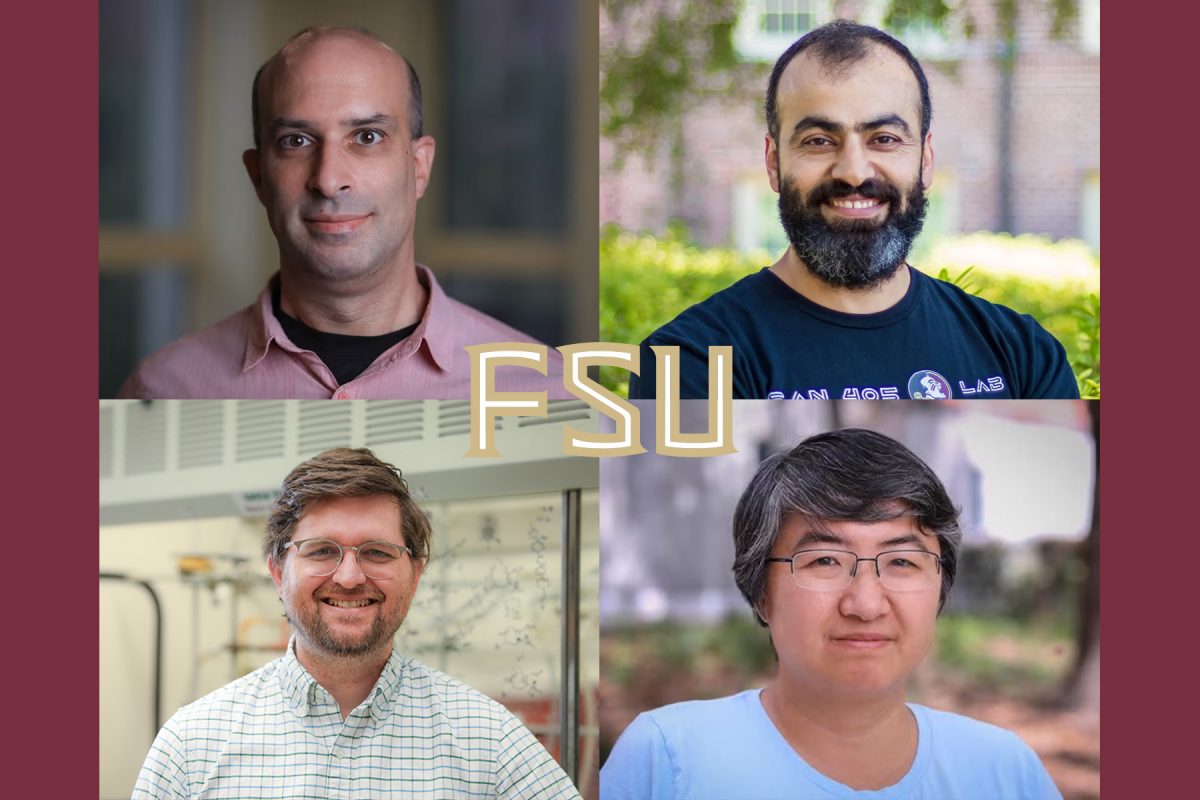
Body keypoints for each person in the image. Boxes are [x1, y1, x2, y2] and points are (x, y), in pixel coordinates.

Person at [601, 428, 1062, 799]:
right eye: (825, 561)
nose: (865, 605)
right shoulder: (667, 757)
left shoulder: (1003, 771)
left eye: (901, 562)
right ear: (761, 591)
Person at [627, 21, 1079, 400]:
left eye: (884, 138)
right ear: (772, 162)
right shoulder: (688, 364)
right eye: (819, 141)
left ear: (925, 160)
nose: (853, 172)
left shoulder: (1022, 355)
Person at [118, 26, 563, 400]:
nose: (329, 179)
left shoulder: (546, 392)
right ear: (258, 177)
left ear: (419, 167)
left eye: (367, 137)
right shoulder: (161, 391)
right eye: (296, 141)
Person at [133, 447, 580, 799]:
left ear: (416, 573)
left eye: (378, 552)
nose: (349, 577)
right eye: (321, 550)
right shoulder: (191, 745)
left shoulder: (491, 741)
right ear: (276, 571)